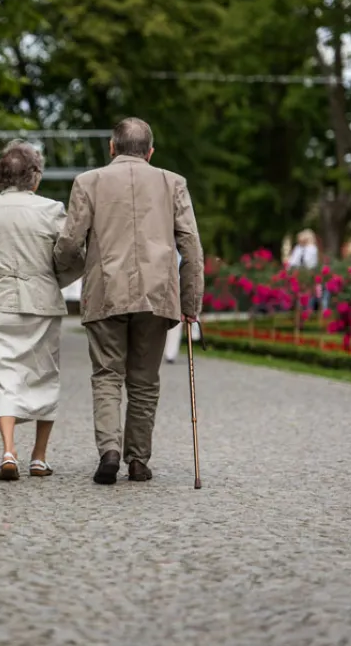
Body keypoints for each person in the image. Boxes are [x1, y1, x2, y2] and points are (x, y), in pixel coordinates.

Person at [54, 117, 204, 485]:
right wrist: (191, 303)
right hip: (157, 296)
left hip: (105, 290)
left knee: (106, 375)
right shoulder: (173, 183)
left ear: (111, 147)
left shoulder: (87, 182)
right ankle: (138, 460)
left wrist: (60, 272)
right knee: (144, 381)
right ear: (150, 152)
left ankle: (109, 450)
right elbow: (192, 247)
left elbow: (71, 242)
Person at [0, 140, 81, 481]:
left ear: (0, 176)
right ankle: (39, 457)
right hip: (42, 301)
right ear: (35, 177)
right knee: (45, 374)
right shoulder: (52, 210)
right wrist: (54, 279)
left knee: (4, 376)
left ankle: (8, 450)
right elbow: (74, 256)